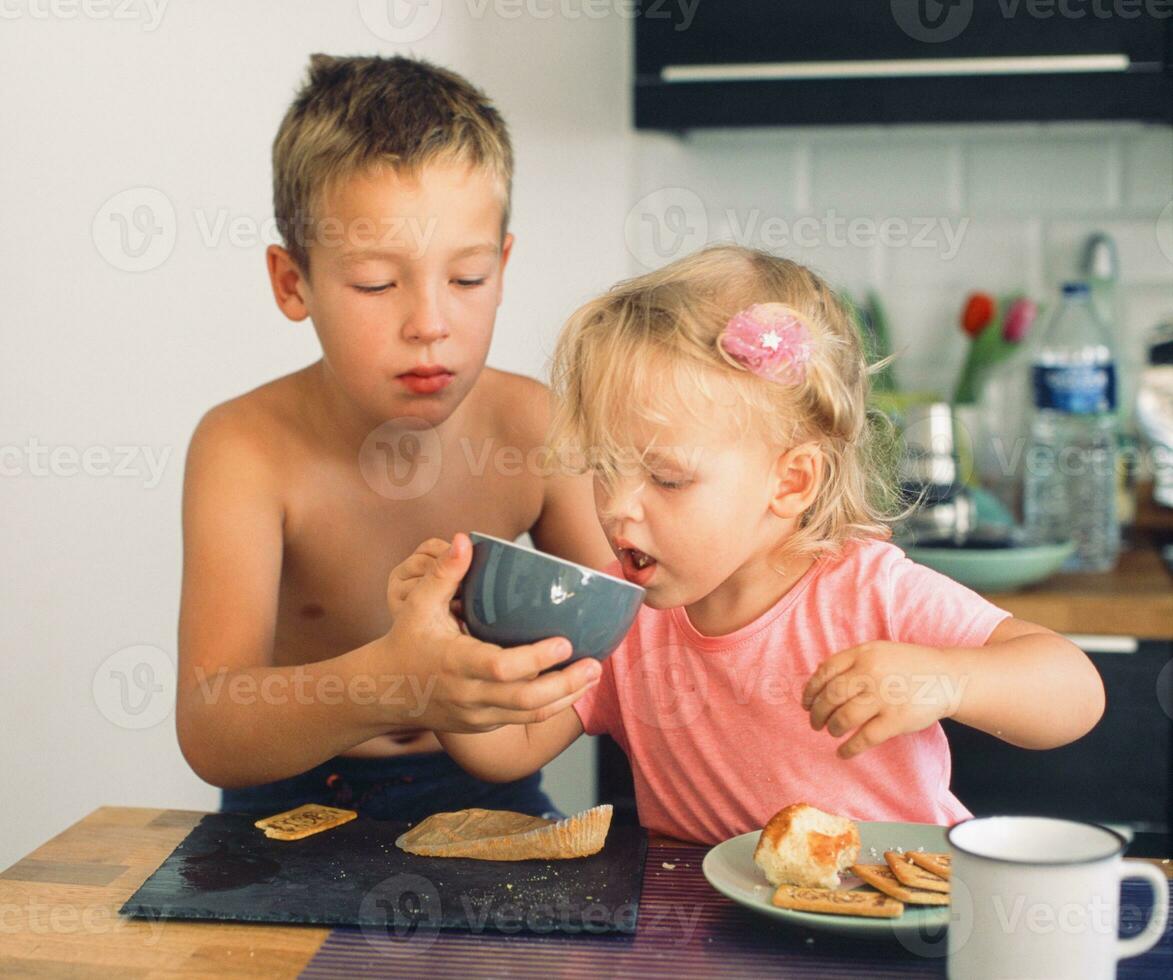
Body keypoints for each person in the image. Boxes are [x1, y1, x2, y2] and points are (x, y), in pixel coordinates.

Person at [407, 244, 1107, 844]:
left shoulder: (867, 590)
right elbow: (509, 750)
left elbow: (1074, 691)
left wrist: (948, 679)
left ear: (791, 480)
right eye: (603, 467)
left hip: (887, 917)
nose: (617, 507)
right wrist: (435, 650)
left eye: (667, 478)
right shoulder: (620, 614)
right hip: (701, 929)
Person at [175, 54, 610, 822]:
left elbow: (643, 619)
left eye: (468, 279)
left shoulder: (533, 426)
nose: (430, 324)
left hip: (490, 794)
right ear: (292, 283)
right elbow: (211, 726)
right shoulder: (244, 448)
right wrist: (391, 681)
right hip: (295, 802)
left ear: (503, 268)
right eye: (377, 283)